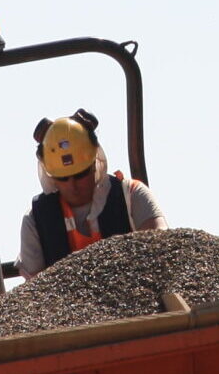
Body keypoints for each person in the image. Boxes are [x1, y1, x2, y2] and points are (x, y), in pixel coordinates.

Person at [16, 109, 165, 279]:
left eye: (80, 175)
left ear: (95, 163)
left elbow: (162, 248)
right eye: (63, 178)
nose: (73, 186)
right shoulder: (36, 220)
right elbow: (34, 292)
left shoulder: (131, 196)